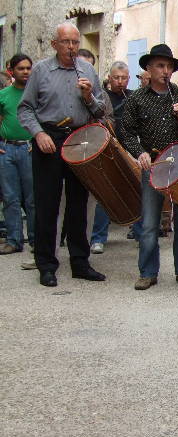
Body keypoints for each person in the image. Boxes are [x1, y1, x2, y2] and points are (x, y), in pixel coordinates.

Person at [17, 22, 107, 287]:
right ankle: (46, 264)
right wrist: (38, 134)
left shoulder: (87, 69)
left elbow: (101, 110)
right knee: (48, 204)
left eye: (76, 43)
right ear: (54, 44)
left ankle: (80, 262)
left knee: (79, 203)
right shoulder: (42, 71)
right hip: (50, 138)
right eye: (66, 42)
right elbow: (25, 109)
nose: (71, 48)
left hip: (79, 137)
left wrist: (89, 96)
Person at [121, 44, 178, 291]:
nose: (165, 71)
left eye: (168, 66)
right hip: (153, 164)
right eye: (160, 65)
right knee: (149, 222)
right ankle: (147, 272)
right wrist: (140, 153)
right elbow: (126, 131)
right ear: (148, 68)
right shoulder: (137, 99)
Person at [89, 61, 133, 254]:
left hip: (128, 149)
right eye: (117, 77)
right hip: (106, 150)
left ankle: (139, 232)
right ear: (109, 77)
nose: (120, 81)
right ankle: (98, 238)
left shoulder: (132, 97)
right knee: (105, 194)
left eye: (124, 78)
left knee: (136, 188)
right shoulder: (102, 97)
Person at [0, 54, 35, 255]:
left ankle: (35, 240)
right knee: (10, 197)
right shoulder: (3, 95)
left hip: (29, 149)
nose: (25, 72)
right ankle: (14, 240)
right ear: (11, 71)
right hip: (7, 150)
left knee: (32, 199)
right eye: (21, 68)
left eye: (28, 68)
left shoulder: (37, 95)